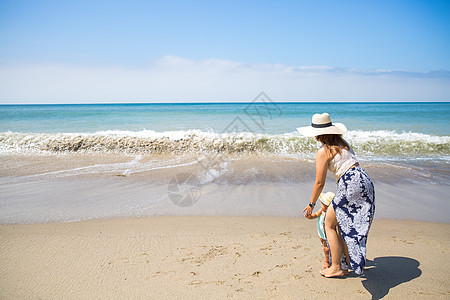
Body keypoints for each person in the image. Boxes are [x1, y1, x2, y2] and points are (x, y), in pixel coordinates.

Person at [298, 113, 375, 278]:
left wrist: (311, 204)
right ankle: (346, 262)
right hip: (364, 180)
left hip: (349, 184)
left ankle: (336, 267)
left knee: (329, 224)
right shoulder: (343, 144)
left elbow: (319, 182)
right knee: (343, 224)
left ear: (318, 133)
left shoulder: (323, 151)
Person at [306, 191, 335, 269]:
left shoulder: (331, 213)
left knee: (326, 248)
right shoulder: (322, 210)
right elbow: (316, 214)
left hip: (328, 234)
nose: (321, 205)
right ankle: (330, 257)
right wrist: (310, 216)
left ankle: (327, 261)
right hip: (321, 232)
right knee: (323, 243)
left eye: (323, 203)